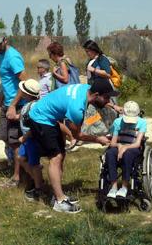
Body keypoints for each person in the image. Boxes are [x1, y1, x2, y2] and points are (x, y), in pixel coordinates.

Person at [26, 77, 117, 213]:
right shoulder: (77, 108)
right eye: (107, 98)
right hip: (41, 119)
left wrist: (114, 107)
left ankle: (59, 193)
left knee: (61, 155)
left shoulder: (86, 89)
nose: (108, 101)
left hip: (49, 117)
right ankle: (59, 201)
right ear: (96, 95)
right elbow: (77, 136)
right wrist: (98, 139)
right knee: (55, 158)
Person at [0, 29, 28, 185]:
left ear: (5, 40)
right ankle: (17, 168)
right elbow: (8, 83)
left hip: (17, 105)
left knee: (15, 140)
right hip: (7, 103)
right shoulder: (2, 56)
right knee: (7, 138)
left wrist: (12, 105)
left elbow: (25, 83)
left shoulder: (12, 57)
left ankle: (18, 177)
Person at [105, 101, 147, 199]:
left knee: (127, 154)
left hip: (133, 148)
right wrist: (120, 146)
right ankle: (114, 187)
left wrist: (125, 148)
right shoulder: (118, 122)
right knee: (110, 153)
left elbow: (137, 143)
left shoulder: (142, 123)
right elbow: (113, 142)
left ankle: (124, 187)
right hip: (120, 145)